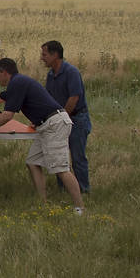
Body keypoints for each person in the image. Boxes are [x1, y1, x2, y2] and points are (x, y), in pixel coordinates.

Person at [0, 58, 85, 214]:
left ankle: (79, 208)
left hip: (55, 125)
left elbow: (7, 115)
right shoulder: (17, 83)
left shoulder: (17, 83)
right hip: (45, 125)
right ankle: (42, 204)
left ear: (5, 72)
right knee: (32, 162)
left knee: (61, 168)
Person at [40, 41, 91, 193]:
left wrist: (62, 118)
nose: (42, 58)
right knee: (59, 157)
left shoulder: (71, 72)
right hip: (60, 120)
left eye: (44, 54)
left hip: (77, 119)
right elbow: (48, 99)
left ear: (55, 55)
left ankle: (83, 190)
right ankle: (63, 190)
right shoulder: (51, 75)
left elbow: (74, 98)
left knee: (77, 157)